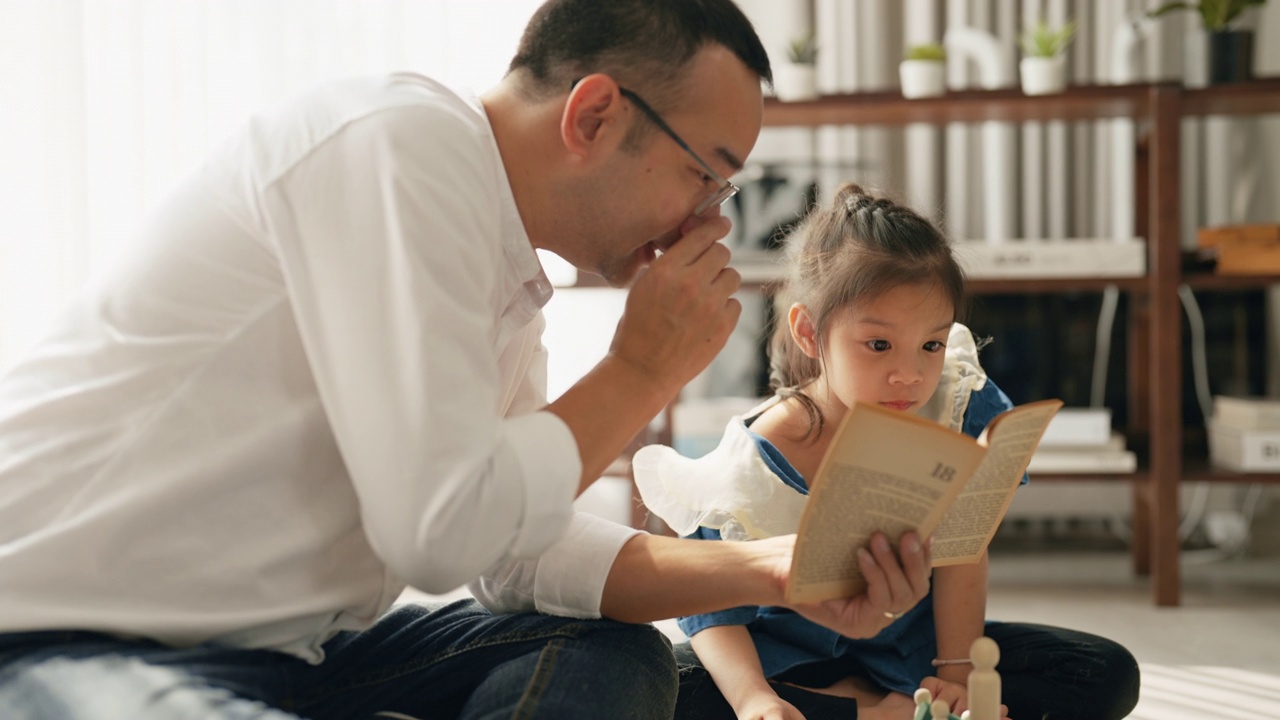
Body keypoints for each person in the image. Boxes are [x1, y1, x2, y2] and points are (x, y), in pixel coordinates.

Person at [0, 3, 935, 719]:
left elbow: (511, 552)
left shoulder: (501, 266)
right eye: (707, 173)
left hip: (294, 652)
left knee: (612, 658)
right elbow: (437, 529)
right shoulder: (396, 147)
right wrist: (640, 369)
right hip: (65, 633)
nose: (710, 220)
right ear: (596, 114)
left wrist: (775, 567)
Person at [634, 184, 1142, 720]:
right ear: (809, 333)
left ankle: (890, 705)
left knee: (1103, 671)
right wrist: (753, 698)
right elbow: (713, 612)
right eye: (879, 345)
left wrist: (955, 677)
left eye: (932, 344)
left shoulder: (956, 405)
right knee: (670, 687)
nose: (911, 374)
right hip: (783, 660)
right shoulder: (750, 463)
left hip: (912, 649)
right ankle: (874, 710)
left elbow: (962, 552)